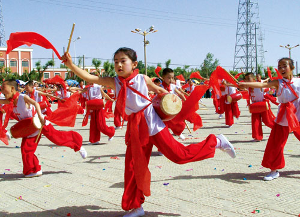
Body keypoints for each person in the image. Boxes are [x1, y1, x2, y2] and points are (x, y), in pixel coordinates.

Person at [62, 47, 236, 217]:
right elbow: (90, 77)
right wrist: (70, 65)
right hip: (135, 127)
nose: (119, 65)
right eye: (116, 62)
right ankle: (136, 206)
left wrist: (172, 99)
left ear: (134, 63)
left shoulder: (141, 78)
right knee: (132, 166)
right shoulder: (114, 82)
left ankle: (217, 141)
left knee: (179, 155)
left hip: (151, 123)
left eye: (123, 61)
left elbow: (160, 91)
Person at [0, 80, 87, 178]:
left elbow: (36, 104)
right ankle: (34, 169)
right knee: (26, 149)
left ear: (12, 89)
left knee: (58, 139)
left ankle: (78, 144)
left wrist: (41, 116)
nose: (1, 89)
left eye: (3, 87)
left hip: (40, 123)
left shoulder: (22, 97)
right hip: (30, 127)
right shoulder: (10, 101)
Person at [239, 57, 300, 181]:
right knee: (275, 144)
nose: (282, 68)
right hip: (284, 116)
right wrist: (246, 84)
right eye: (280, 66)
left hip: (298, 115)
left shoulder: (298, 81)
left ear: (292, 67)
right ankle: (274, 170)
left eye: (284, 66)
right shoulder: (278, 82)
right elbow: (262, 84)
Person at [243, 73, 275, 141]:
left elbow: (269, 87)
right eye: (246, 79)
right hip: (255, 106)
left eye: (249, 79)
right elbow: (237, 85)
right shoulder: (248, 87)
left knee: (267, 121)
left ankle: (279, 129)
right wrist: (227, 84)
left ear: (253, 79)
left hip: (262, 105)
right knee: (255, 122)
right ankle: (257, 137)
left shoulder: (259, 84)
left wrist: (271, 89)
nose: (247, 81)